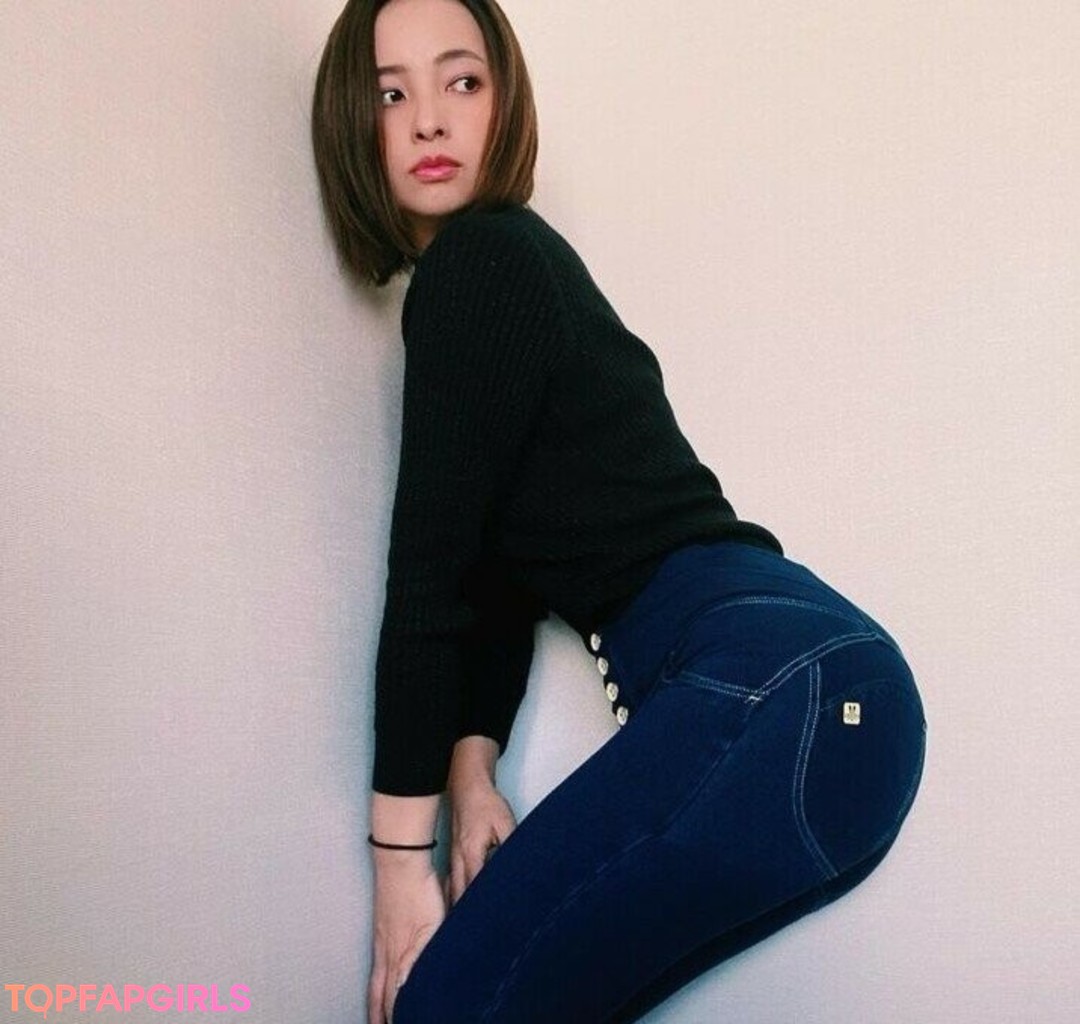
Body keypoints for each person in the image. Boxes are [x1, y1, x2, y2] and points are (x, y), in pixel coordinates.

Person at [311, 1, 927, 1021]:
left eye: (462, 81)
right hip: (834, 701)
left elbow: (428, 578)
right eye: (389, 93)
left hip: (775, 680)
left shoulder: (479, 261)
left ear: (504, 104)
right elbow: (492, 576)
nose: (429, 118)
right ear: (350, 122)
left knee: (446, 1004)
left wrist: (397, 868)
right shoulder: (515, 270)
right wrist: (472, 771)